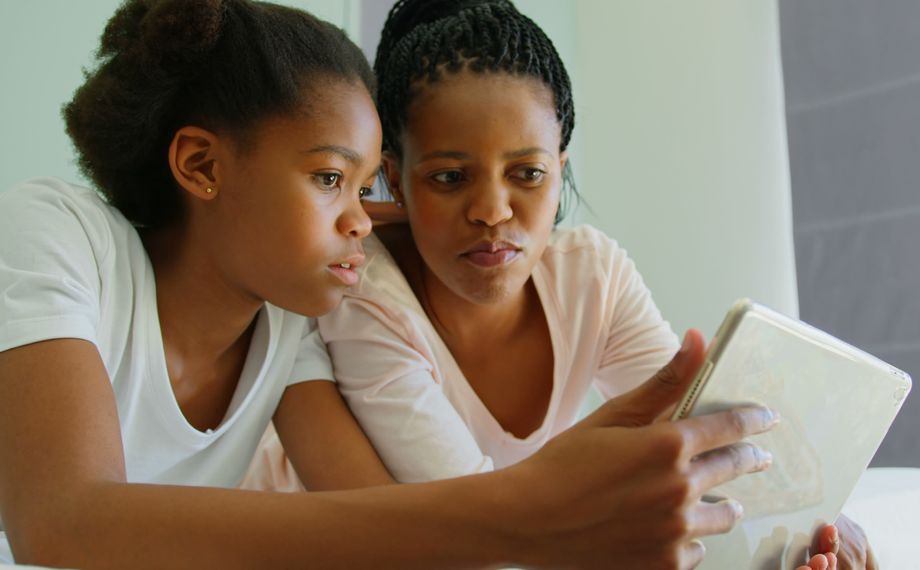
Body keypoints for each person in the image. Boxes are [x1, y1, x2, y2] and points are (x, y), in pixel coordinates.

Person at [0, 1, 785, 568]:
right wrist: (538, 505)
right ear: (202, 166)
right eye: (333, 178)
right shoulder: (57, 236)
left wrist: (562, 494)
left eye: (373, 186)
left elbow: (385, 525)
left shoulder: (286, 326)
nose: (365, 219)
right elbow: (61, 522)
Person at [242, 1, 868, 568]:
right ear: (396, 181)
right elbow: (479, 525)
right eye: (450, 178)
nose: (492, 209)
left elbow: (691, 444)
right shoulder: (367, 297)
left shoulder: (591, 273)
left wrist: (804, 517)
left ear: (559, 169)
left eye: (528, 173)